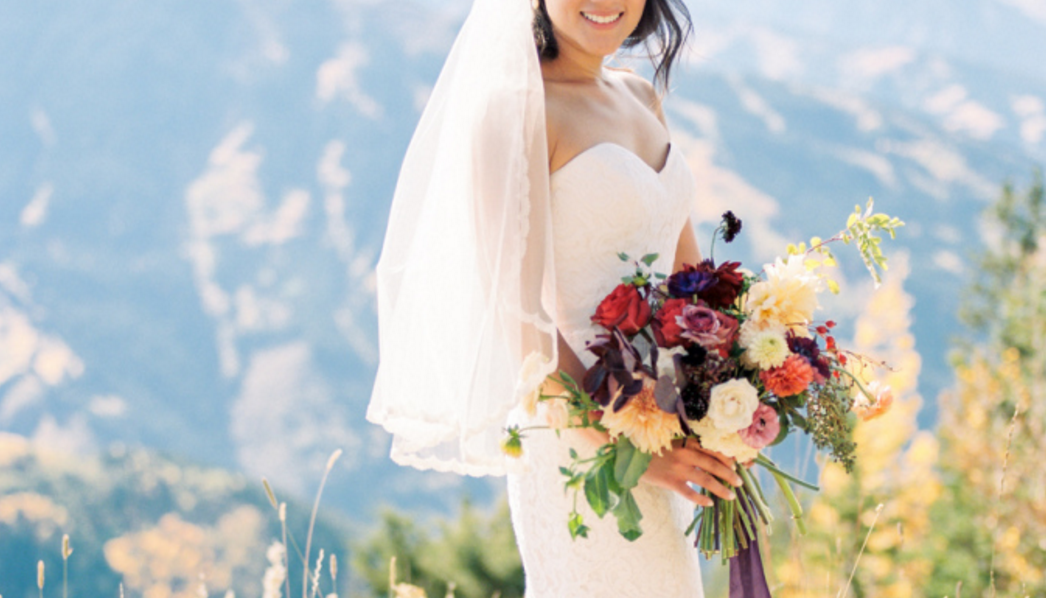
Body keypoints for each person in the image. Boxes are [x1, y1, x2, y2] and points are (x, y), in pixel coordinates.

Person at [368, 0, 741, 595]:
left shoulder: (642, 98)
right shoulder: (514, 110)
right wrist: (631, 452)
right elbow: (519, 318)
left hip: (662, 421)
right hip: (580, 444)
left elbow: (687, 272)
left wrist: (730, 394)